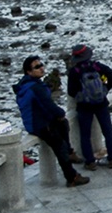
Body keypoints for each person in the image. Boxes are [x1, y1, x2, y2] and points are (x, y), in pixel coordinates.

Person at [15, 56, 88, 186]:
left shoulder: (26, 85)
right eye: (37, 67)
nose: (41, 68)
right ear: (29, 72)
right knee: (60, 146)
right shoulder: (36, 88)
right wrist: (60, 113)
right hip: (39, 125)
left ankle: (70, 153)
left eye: (41, 65)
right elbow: (48, 105)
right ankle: (71, 177)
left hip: (35, 122)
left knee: (63, 123)